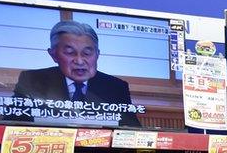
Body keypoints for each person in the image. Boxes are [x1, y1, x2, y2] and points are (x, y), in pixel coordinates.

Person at [9, 20, 140, 126]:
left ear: (97, 55)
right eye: (70, 53)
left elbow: (131, 129)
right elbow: (12, 125)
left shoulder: (116, 87)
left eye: (87, 53)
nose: (79, 61)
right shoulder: (32, 80)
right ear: (53, 54)